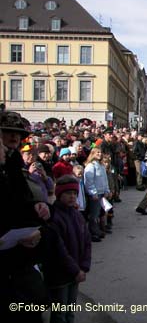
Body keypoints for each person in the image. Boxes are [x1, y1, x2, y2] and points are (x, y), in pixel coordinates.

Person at [0, 111, 50, 323]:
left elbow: (21, 197)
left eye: (18, 134)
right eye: (8, 133)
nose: (14, 138)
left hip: (21, 251)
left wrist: (37, 205)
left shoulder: (13, 163)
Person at [43, 175, 91, 323]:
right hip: (60, 274)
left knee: (70, 312)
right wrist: (76, 270)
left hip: (75, 272)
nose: (72, 197)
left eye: (75, 193)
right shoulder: (54, 217)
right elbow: (59, 249)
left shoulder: (77, 215)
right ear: (59, 194)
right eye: (68, 193)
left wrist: (84, 266)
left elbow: (86, 241)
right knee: (60, 314)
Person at [84, 148, 111, 242]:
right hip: (95, 194)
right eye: (97, 152)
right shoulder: (90, 166)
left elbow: (105, 179)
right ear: (93, 154)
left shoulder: (101, 165)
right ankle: (93, 232)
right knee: (93, 215)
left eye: (100, 152)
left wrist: (107, 190)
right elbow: (89, 181)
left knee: (99, 213)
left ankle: (97, 230)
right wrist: (93, 192)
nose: (100, 154)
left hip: (102, 193)